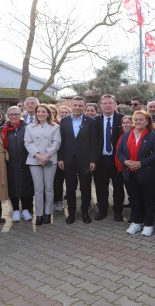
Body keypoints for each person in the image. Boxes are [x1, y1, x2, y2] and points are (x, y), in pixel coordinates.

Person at [118, 110, 155, 236]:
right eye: (135, 119)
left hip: (147, 173)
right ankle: (136, 223)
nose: (137, 122)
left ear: (147, 121)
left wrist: (141, 163)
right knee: (135, 200)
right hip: (130, 173)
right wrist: (125, 161)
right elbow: (119, 152)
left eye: (141, 119)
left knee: (148, 200)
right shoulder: (126, 135)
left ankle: (148, 224)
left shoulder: (153, 136)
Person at [58, 96, 97, 224]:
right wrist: (61, 158)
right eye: (75, 105)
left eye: (80, 105)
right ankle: (71, 213)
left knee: (85, 188)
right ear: (71, 105)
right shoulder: (64, 121)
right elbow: (61, 141)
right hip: (68, 160)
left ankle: (85, 212)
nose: (77, 108)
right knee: (70, 188)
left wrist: (93, 160)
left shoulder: (91, 121)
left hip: (85, 161)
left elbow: (94, 143)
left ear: (84, 107)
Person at [24, 104, 61, 225]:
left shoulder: (55, 127)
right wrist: (38, 156)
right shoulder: (29, 127)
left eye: (43, 112)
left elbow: (56, 143)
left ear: (48, 113)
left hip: (50, 159)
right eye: (38, 112)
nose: (40, 114)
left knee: (49, 188)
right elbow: (28, 143)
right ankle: (39, 214)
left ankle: (48, 213)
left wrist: (47, 155)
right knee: (38, 188)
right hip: (35, 159)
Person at [94, 94, 125, 221]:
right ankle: (102, 210)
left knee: (118, 187)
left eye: (110, 103)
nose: (107, 105)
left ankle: (118, 211)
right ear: (100, 106)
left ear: (115, 105)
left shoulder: (123, 119)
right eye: (104, 103)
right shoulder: (94, 121)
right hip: (100, 160)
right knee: (101, 187)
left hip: (117, 159)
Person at [1, 106, 34, 222]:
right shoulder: (3, 129)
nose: (14, 116)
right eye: (11, 114)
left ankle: (25, 209)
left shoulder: (28, 127)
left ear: (20, 115)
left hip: (26, 162)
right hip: (10, 163)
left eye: (16, 114)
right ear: (7, 116)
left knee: (26, 185)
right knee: (13, 186)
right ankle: (15, 210)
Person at [53, 105, 72, 212]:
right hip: (58, 157)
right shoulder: (56, 126)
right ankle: (58, 201)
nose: (64, 114)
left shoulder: (71, 124)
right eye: (62, 112)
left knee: (70, 182)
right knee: (58, 181)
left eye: (66, 112)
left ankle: (70, 201)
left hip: (70, 158)